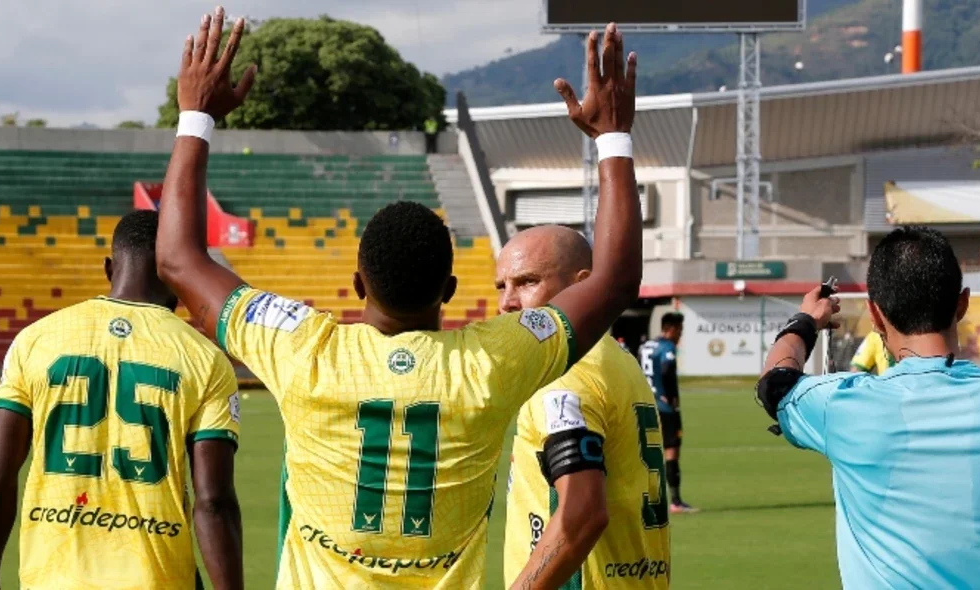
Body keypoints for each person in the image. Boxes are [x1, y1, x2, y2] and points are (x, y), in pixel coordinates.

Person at [155, 10, 642, 588]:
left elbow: (179, 260)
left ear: (360, 284)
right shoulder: (491, 363)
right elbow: (613, 281)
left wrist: (196, 118)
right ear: (450, 291)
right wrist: (613, 135)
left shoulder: (303, 351)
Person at [755, 226, 980, 589]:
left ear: (875, 314)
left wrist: (804, 322)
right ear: (962, 304)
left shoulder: (841, 405)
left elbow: (775, 382)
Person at [0, 210, 244, 590]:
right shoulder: (206, 359)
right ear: (177, 278)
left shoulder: (35, 341)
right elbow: (213, 501)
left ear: (108, 267)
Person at [498, 226, 670, 589]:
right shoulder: (618, 360)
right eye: (502, 286)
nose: (507, 303)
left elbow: (583, 513)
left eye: (527, 282)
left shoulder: (564, 374)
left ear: (583, 285)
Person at [638, 312, 695, 513]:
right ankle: (676, 501)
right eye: (680, 330)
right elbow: (667, 370)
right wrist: (670, 397)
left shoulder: (646, 346)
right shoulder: (667, 348)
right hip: (665, 408)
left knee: (647, 454)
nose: (680, 335)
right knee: (672, 452)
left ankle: (646, 501)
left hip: (645, 405)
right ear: (670, 328)